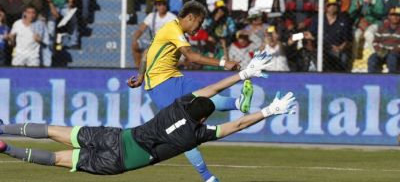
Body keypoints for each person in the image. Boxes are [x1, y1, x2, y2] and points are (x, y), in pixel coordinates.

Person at [0, 56, 297, 177]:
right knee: (56, 159)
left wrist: (243, 73)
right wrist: (270, 111)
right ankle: (6, 149)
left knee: (54, 130)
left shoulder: (179, 105)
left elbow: (211, 89)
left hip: (116, 136)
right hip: (118, 162)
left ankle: (4, 129)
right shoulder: (195, 136)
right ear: (205, 121)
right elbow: (238, 123)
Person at [127, 1, 247, 182]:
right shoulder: (172, 29)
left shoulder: (171, 29)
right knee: (184, 130)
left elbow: (147, 54)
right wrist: (223, 63)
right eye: (199, 23)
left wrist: (141, 75)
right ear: (190, 17)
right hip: (161, 86)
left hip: (175, 78)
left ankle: (239, 103)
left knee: (207, 95)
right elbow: (192, 57)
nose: (199, 29)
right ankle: (207, 177)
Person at [131, 0, 176, 67]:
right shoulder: (151, 16)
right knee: (135, 45)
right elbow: (141, 29)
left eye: (163, 4)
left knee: (146, 54)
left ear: (166, 5)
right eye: (159, 4)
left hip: (166, 43)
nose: (161, 6)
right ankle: (138, 68)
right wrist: (135, 38)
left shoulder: (172, 17)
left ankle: (143, 71)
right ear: (155, 6)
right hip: (152, 41)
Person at [368, 6, 400, 73]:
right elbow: (375, 42)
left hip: (396, 53)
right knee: (372, 58)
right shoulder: (382, 27)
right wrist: (379, 49)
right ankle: (373, 78)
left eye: (398, 15)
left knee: (392, 58)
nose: (395, 17)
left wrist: (393, 50)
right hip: (383, 51)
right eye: (393, 15)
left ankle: (392, 79)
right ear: (389, 16)